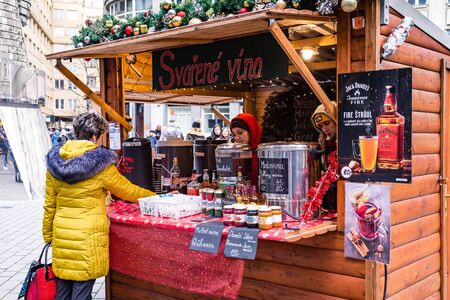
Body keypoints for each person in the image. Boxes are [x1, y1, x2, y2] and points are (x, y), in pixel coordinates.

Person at [43, 112, 155, 300]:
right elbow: (128, 191)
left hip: (62, 236)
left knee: (62, 292)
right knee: (82, 292)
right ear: (95, 136)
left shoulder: (56, 161)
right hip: (88, 239)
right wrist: (156, 197)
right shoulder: (100, 164)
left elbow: (49, 205)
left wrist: (48, 236)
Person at [311, 101, 337, 213]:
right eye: (321, 126)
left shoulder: (349, 140)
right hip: (328, 197)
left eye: (327, 123)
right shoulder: (322, 143)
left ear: (337, 120)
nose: (325, 129)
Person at [230, 113, 262, 186]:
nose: (237, 138)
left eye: (240, 133)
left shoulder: (265, 151)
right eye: (234, 135)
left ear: (251, 130)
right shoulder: (237, 152)